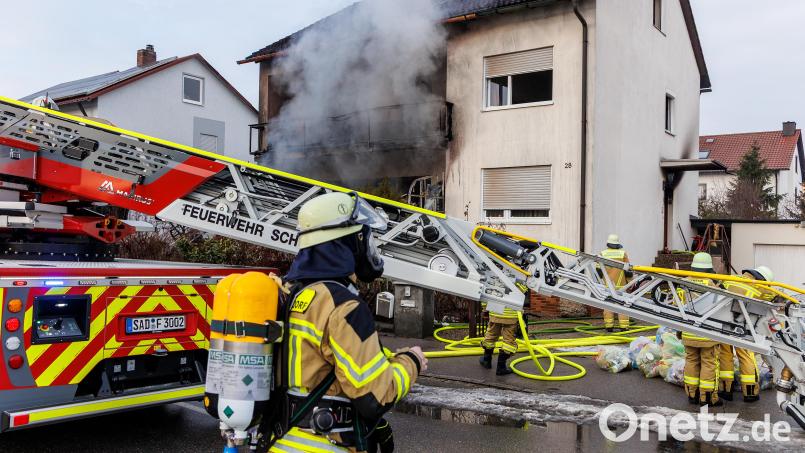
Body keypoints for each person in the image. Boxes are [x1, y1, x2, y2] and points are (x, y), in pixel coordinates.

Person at [271, 192, 427, 453]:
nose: (368, 246)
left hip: (283, 441)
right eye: (364, 238)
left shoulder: (293, 291)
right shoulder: (343, 306)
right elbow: (376, 396)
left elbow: (322, 361)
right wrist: (410, 362)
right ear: (347, 242)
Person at [718, 266, 776, 403]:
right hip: (743, 326)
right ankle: (750, 393)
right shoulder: (761, 288)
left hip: (723, 321)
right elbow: (774, 299)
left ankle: (726, 390)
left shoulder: (730, 279)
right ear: (762, 278)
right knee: (745, 356)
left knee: (725, 355)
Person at [681, 252, 722, 407]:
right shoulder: (711, 283)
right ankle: (707, 397)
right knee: (708, 363)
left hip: (688, 331)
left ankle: (692, 394)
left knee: (691, 360)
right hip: (707, 333)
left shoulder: (683, 281)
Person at [599, 234, 631, 332]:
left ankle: (609, 326)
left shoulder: (602, 253)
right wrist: (629, 282)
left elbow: (598, 270)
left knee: (608, 304)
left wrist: (602, 281)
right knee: (622, 304)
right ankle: (623, 327)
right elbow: (628, 271)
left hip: (608, 285)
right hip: (621, 285)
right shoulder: (622, 254)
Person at [479, 304, 519, 376]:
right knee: (509, 340)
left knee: (491, 335)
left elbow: (486, 294)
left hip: (495, 310)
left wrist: (485, 309)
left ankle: (487, 360)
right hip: (511, 314)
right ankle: (501, 367)